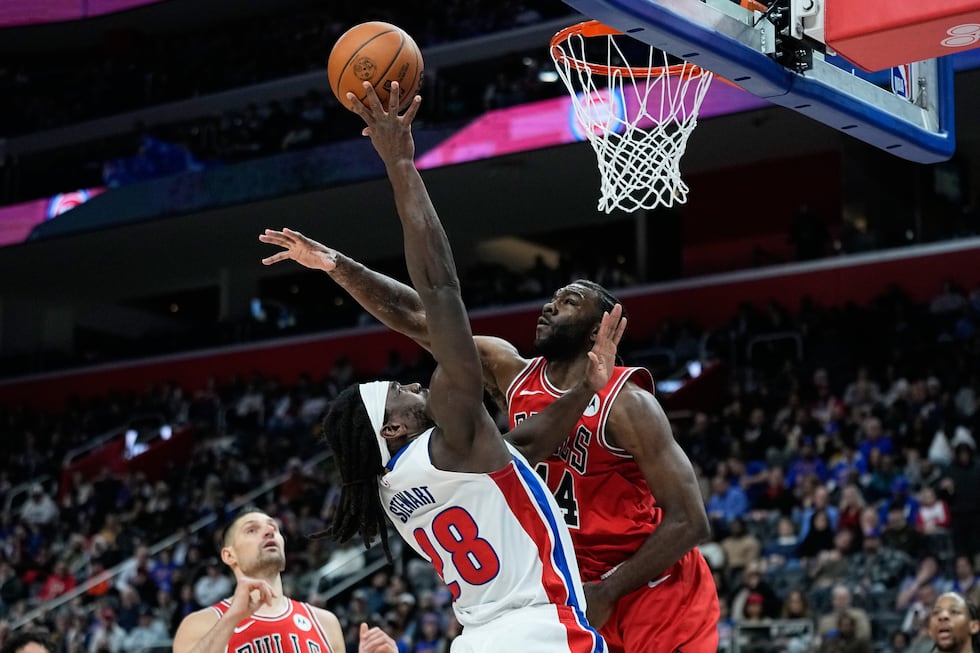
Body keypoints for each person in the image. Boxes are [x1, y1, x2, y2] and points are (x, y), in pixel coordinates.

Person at [259, 106, 717, 653]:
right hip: (564, 586)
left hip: (649, 590)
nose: (549, 305)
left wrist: (612, 587)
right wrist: (339, 265)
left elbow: (690, 519)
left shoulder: (628, 404)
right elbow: (422, 316)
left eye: (568, 300)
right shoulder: (507, 371)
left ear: (599, 326)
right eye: (550, 296)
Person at [172, 509, 398, 653]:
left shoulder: (324, 622)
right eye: (252, 530)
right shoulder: (201, 624)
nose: (269, 533)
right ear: (229, 555)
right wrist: (233, 616)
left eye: (274, 529)